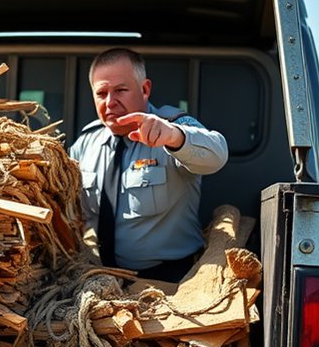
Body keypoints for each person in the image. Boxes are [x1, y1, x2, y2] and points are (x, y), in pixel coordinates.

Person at [69, 48, 228, 281]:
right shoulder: (86, 142)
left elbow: (217, 156)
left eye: (121, 90)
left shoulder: (172, 125)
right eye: (101, 93)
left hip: (172, 281)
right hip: (103, 279)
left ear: (145, 90)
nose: (110, 102)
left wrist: (174, 137)